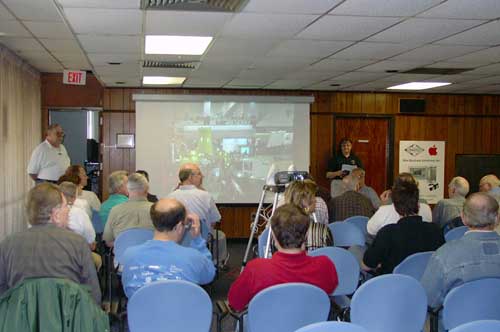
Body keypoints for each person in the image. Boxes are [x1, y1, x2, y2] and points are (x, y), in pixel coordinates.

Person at [0, 183, 101, 303]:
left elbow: (2, 292)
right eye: (66, 206)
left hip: (21, 319)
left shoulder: (8, 244)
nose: (68, 211)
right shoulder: (78, 243)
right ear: (56, 214)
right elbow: (94, 294)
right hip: (68, 318)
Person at [228, 204, 338, 311]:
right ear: (306, 234)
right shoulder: (325, 265)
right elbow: (330, 289)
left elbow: (235, 303)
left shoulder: (255, 269)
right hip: (312, 327)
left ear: (273, 235)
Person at [121, 198, 215, 298]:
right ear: (179, 227)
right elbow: (209, 275)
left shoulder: (129, 255)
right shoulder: (194, 257)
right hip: (182, 313)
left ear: (154, 222)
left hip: (141, 313)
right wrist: (197, 239)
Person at [421, 192, 500, 309]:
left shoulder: (445, 254)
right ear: (497, 218)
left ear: (463, 218)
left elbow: (428, 299)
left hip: (458, 324)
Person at [362, 180, 444, 275]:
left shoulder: (387, 233)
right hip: (425, 285)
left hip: (392, 286)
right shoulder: (436, 230)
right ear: (418, 204)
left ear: (396, 208)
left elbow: (366, 266)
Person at [168, 163, 228, 264]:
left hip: (176, 239)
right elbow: (214, 221)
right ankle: (215, 263)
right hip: (201, 237)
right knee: (220, 235)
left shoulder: (170, 197)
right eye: (199, 174)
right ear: (190, 177)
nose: (202, 176)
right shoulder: (206, 196)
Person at [367, 173, 433, 237]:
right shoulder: (426, 208)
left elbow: (370, 230)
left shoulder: (384, 210)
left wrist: (382, 206)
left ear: (394, 189)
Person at [103, 173, 154, 247]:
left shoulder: (115, 210)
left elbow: (108, 241)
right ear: (147, 189)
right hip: (151, 256)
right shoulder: (157, 210)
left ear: (128, 189)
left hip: (123, 256)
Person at [284, 180, 333, 250]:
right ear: (305, 202)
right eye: (313, 196)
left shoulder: (279, 228)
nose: (315, 200)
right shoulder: (321, 231)